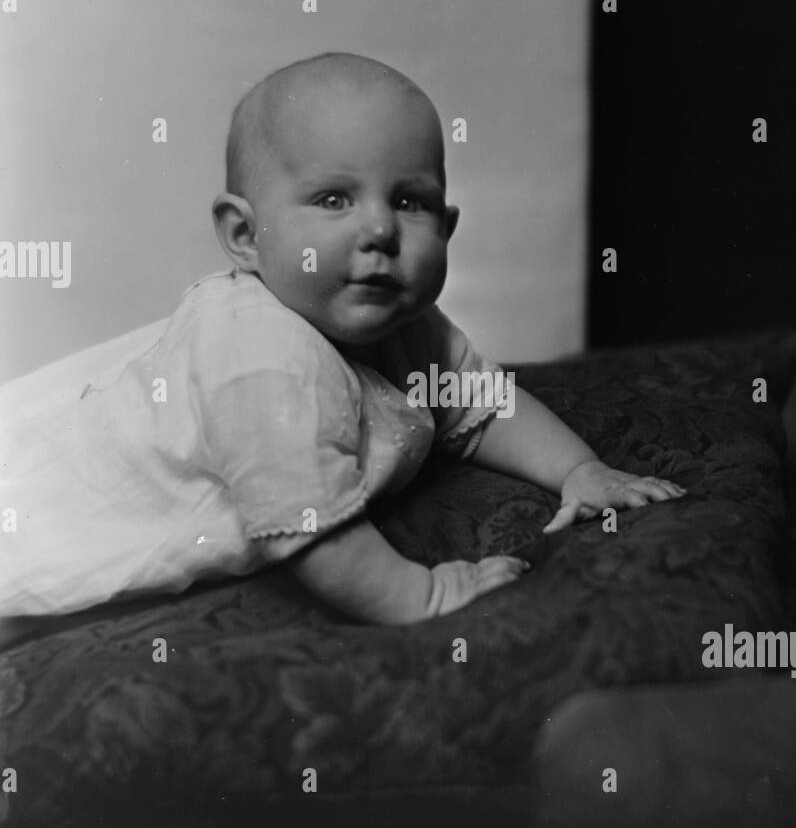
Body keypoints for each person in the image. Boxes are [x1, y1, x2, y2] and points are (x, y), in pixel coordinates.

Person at [0, 53, 684, 627]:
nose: (380, 230)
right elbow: (306, 522)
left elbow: (478, 407)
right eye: (333, 199)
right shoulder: (258, 354)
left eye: (409, 201)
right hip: (35, 516)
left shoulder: (402, 323)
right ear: (245, 236)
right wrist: (426, 595)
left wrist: (579, 470)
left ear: (446, 227)